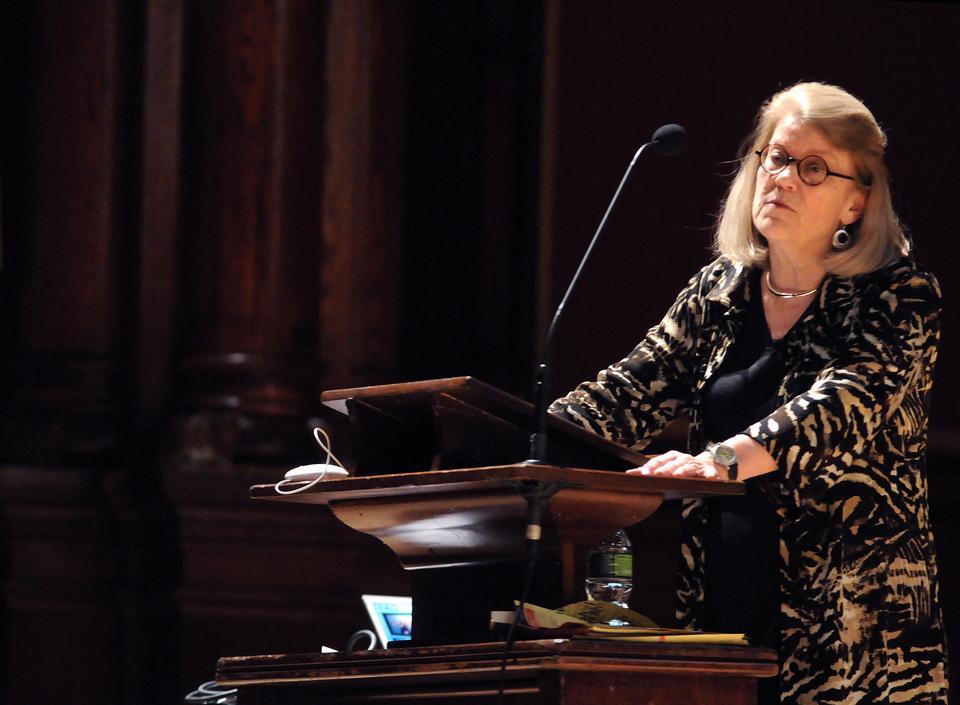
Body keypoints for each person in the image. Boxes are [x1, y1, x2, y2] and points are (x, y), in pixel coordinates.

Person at [549, 82, 949, 705]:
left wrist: (720, 461)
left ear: (855, 202)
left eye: (812, 168)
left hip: (853, 636)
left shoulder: (899, 295)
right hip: (721, 616)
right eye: (775, 157)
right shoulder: (720, 292)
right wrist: (518, 441)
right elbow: (624, 396)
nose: (783, 178)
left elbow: (843, 406)